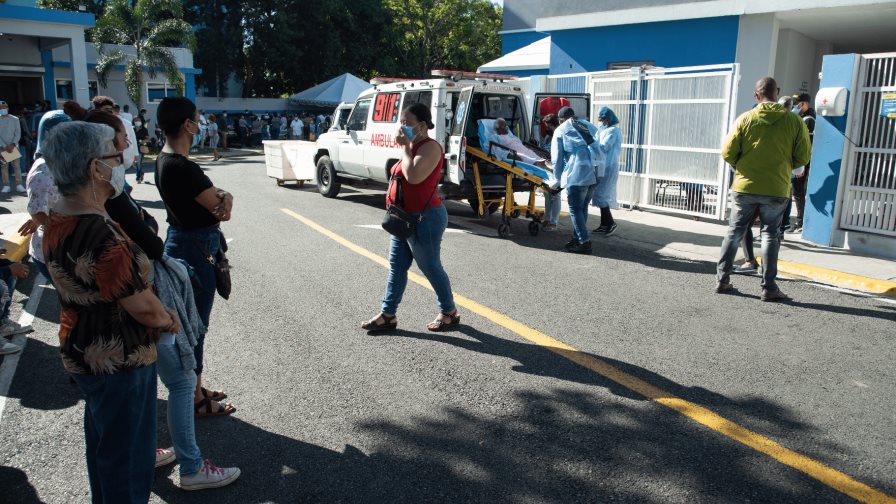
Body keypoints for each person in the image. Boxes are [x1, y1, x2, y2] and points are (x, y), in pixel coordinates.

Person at [83, 109, 240, 491]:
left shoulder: (88, 207)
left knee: (127, 405)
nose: (124, 155)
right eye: (119, 146)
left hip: (106, 334)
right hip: (126, 323)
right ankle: (190, 465)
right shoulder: (96, 216)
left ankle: (150, 451)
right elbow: (131, 274)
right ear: (95, 160)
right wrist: (164, 316)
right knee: (181, 371)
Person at [42, 121, 179, 503]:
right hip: (120, 359)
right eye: (113, 155)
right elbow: (143, 308)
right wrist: (168, 317)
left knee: (105, 448)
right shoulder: (99, 232)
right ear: (93, 169)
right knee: (128, 461)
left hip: (85, 351)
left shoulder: (59, 215)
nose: (121, 160)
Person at [155, 97, 236, 417]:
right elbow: (220, 207)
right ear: (188, 124)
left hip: (184, 241)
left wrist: (224, 196)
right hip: (196, 249)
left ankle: (195, 385)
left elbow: (218, 200)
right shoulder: (183, 167)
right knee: (195, 326)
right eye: (197, 119)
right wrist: (227, 196)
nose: (200, 124)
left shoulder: (164, 160)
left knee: (190, 324)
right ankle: (194, 397)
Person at [362, 103, 458, 333]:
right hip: (403, 218)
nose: (401, 127)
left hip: (426, 219)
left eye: (406, 123)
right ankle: (388, 314)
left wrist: (405, 148)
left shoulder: (430, 147)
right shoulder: (413, 146)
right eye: (401, 122)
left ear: (422, 125)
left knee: (430, 266)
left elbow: (413, 176)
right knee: (397, 266)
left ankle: (449, 312)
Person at [717, 77, 811, 301]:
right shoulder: (794, 121)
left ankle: (723, 280)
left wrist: (745, 166)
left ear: (756, 95)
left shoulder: (745, 119)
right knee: (770, 235)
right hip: (776, 188)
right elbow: (803, 157)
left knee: (735, 231)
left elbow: (728, 153)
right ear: (777, 93)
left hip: (745, 186)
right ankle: (769, 287)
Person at [24, 111, 70, 284]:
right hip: (53, 252)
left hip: (64, 248)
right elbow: (38, 214)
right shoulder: (43, 171)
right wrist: (70, 229)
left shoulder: (59, 162)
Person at [552, 106, 598, 254]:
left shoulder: (561, 130)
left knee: (575, 208)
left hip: (577, 173)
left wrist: (557, 180)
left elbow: (557, 158)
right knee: (583, 208)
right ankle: (577, 238)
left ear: (561, 119)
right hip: (594, 172)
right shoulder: (589, 126)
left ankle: (584, 242)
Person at [592, 106, 623, 236]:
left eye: (602, 119)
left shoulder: (613, 131)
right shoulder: (604, 130)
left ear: (608, 119)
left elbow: (604, 147)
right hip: (602, 165)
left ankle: (610, 223)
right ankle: (604, 224)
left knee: (601, 195)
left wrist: (591, 143)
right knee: (599, 195)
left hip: (608, 166)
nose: (600, 122)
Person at [789, 92, 816, 233]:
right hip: (800, 161)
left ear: (805, 104)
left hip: (803, 162)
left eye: (798, 103)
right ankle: (799, 221)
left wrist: (802, 165)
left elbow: (805, 145)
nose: (796, 106)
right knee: (795, 190)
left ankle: (800, 223)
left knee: (798, 191)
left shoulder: (809, 120)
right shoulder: (801, 118)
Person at [540, 114, 562, 231]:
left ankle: (553, 222)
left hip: (556, 166)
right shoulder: (548, 136)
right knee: (547, 193)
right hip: (547, 165)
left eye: (547, 125)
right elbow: (545, 148)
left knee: (556, 194)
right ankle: (547, 219)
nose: (546, 127)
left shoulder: (559, 134)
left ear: (551, 124)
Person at [0, 100, 25, 193]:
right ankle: (6, 185)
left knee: (16, 166)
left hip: (13, 147)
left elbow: (18, 133)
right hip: (2, 148)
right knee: (4, 166)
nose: (3, 110)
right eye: (1, 108)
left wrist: (13, 144)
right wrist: (4, 145)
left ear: (8, 108)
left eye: (4, 108)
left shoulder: (15, 119)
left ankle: (19, 185)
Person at [133, 116, 149, 183]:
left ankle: (138, 177)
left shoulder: (144, 129)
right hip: (132, 148)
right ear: (134, 121)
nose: (138, 121)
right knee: (133, 163)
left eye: (139, 120)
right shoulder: (132, 129)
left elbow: (148, 138)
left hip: (140, 148)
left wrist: (143, 141)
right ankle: (141, 172)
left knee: (138, 163)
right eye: (136, 120)